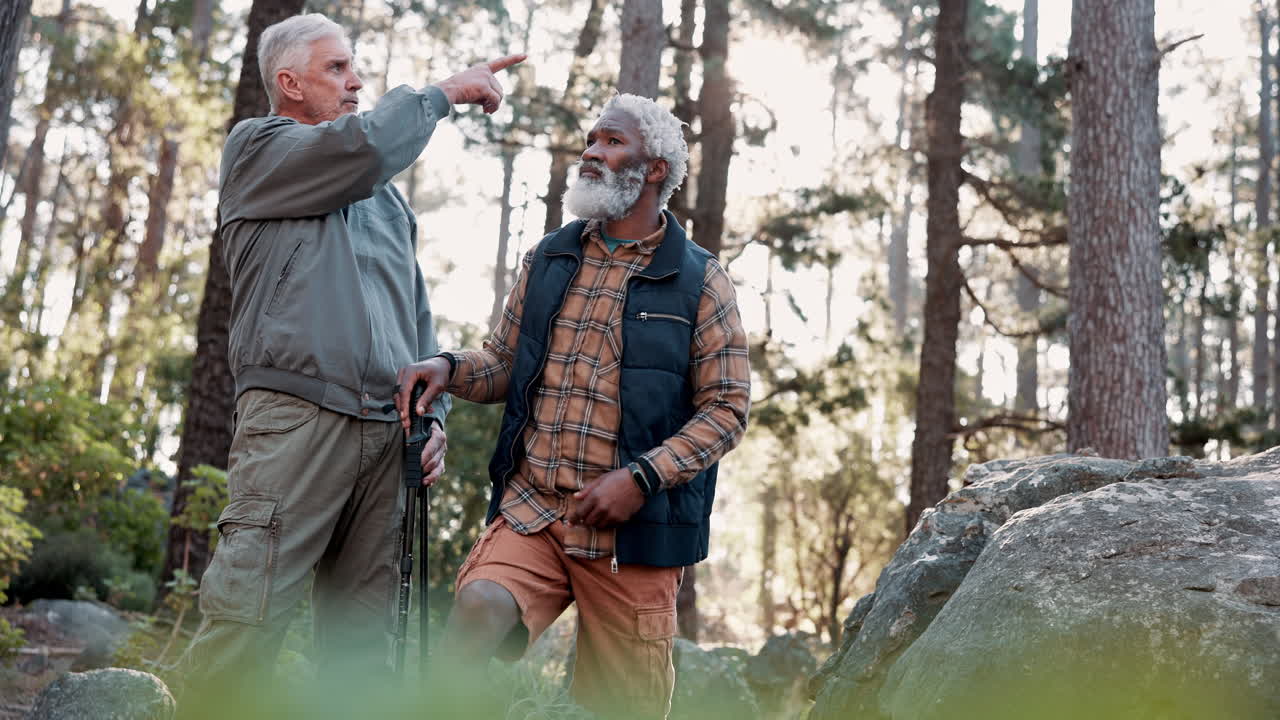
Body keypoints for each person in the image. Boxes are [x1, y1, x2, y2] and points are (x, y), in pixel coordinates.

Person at [175, 12, 524, 713]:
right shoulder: (258, 149)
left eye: (354, 65)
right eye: (336, 68)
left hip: (389, 436)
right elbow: (360, 148)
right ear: (289, 82)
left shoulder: (387, 205)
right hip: (296, 423)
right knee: (247, 616)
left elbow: (416, 325)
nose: (356, 79)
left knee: (366, 647)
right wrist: (441, 94)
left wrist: (437, 419)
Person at [396, 93, 751, 719]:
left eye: (611, 142)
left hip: (635, 538)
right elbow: (505, 364)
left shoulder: (700, 280)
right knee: (476, 613)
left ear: (656, 168)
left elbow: (726, 410)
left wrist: (641, 478)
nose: (590, 152)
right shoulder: (550, 258)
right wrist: (447, 369)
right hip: (533, 510)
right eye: (590, 140)